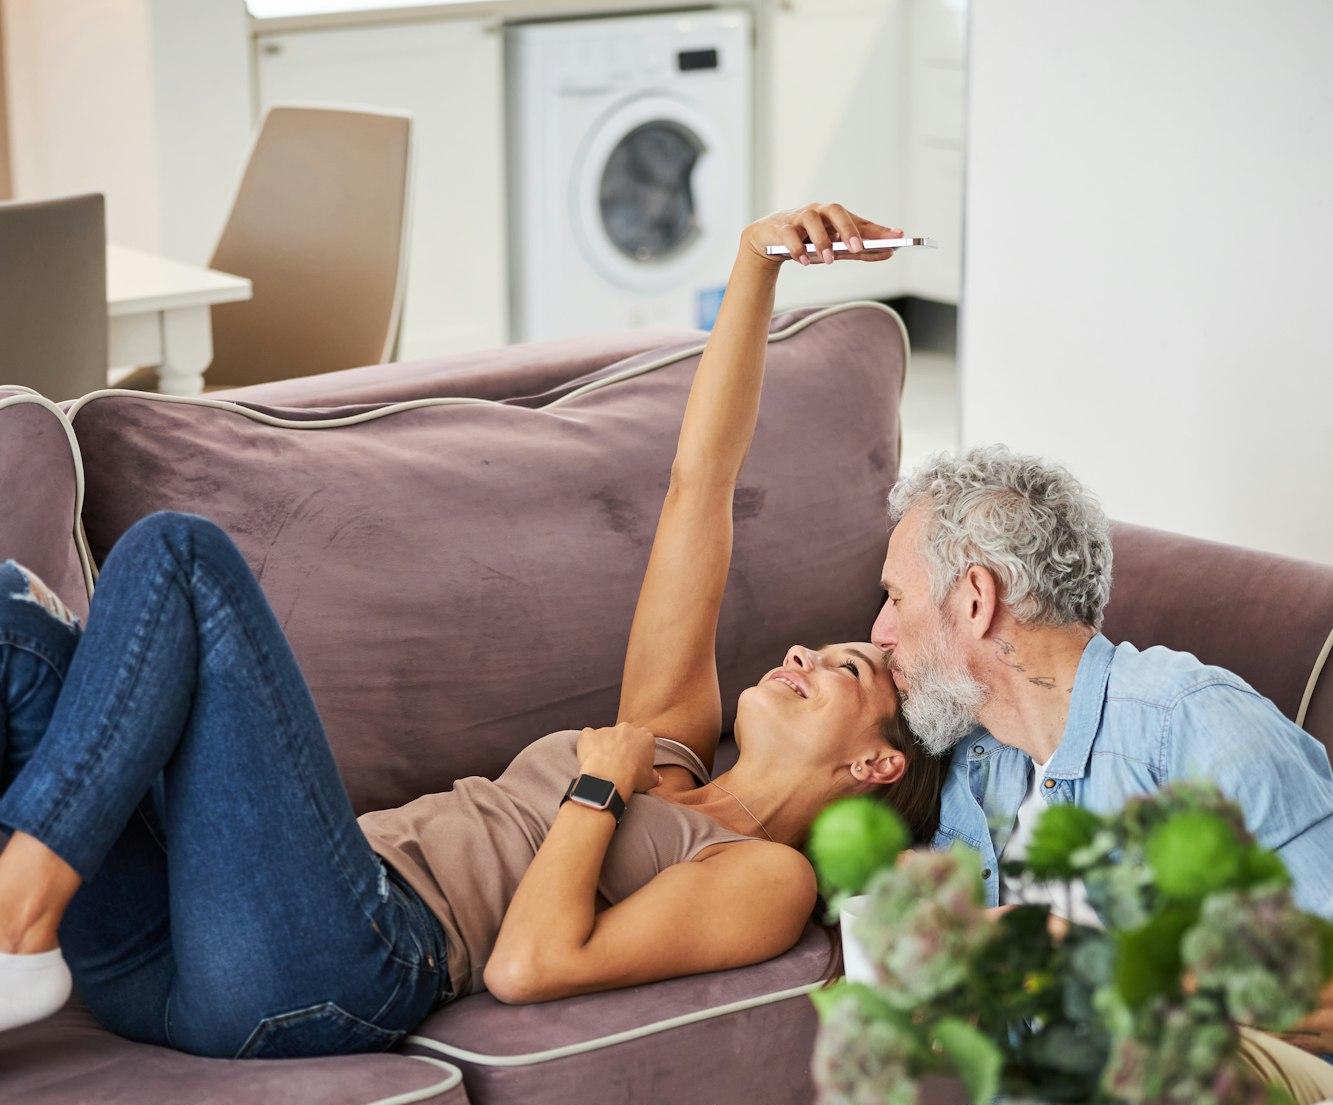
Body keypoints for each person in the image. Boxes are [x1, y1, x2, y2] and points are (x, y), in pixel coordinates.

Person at [0, 202, 942, 1056]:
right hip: (185, 942)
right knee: (16, 630)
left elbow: (528, 966)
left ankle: (22, 905)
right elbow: (702, 482)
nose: (798, 654)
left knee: (179, 556)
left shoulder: (764, 878)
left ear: (876, 764)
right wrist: (755, 263)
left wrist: (595, 793)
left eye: (843, 667)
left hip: (334, 967)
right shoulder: (669, 742)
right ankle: (26, 917)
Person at [870, 446, 1333, 1103]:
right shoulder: (974, 764)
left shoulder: (1192, 724)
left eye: (893, 597)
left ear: (974, 599)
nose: (880, 630)